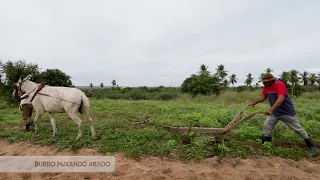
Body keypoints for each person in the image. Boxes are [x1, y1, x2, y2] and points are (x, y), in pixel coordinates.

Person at [249, 73, 317, 154]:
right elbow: (264, 97)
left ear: (271, 80)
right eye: (263, 82)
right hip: (275, 113)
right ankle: (266, 146)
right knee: (267, 126)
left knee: (297, 129)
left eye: (266, 82)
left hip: (286, 112)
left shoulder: (279, 85)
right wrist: (255, 103)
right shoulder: (266, 87)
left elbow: (281, 98)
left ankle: (311, 146)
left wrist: (271, 110)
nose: (264, 83)